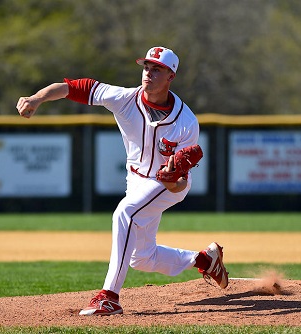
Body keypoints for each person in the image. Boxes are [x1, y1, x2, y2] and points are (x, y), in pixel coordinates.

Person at [16, 46, 228, 315]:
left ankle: (109, 296)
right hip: (136, 181)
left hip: (166, 187)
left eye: (157, 69)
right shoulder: (124, 98)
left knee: (124, 213)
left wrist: (172, 180)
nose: (148, 74)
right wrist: (36, 98)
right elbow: (71, 87)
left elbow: (182, 184)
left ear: (171, 76)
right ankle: (204, 260)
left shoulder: (186, 122)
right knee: (142, 257)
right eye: (146, 67)